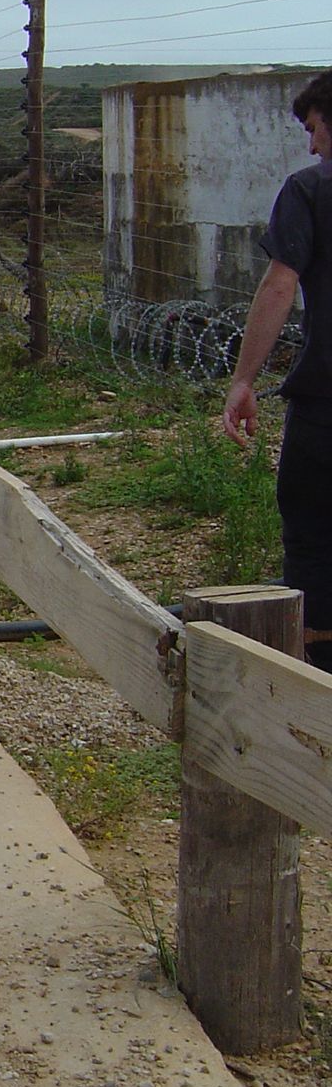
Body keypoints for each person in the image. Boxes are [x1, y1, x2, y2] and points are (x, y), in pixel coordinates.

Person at [222, 68, 332, 667]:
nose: (311, 144)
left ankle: (313, 680)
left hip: (325, 407)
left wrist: (243, 381)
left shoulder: (310, 191)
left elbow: (280, 283)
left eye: (315, 129)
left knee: (314, 544)